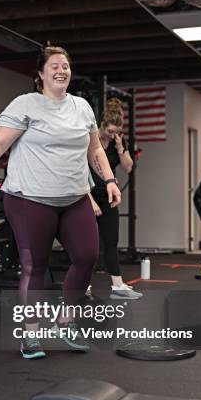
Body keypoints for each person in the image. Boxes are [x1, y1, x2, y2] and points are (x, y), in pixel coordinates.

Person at [0, 46, 121, 359]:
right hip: (30, 199)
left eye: (66, 66)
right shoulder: (26, 104)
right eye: (54, 66)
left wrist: (110, 180)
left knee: (87, 257)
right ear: (41, 74)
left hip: (74, 197)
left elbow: (95, 150)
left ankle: (65, 321)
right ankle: (31, 335)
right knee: (35, 266)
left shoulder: (82, 107)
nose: (61, 71)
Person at [87, 98, 142, 299]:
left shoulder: (118, 140)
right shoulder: (89, 139)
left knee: (111, 240)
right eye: (109, 131)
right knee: (87, 244)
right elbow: (78, 171)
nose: (112, 135)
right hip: (88, 195)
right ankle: (82, 286)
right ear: (101, 125)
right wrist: (90, 201)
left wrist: (120, 148)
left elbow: (128, 168)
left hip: (108, 197)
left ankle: (118, 286)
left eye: (116, 132)